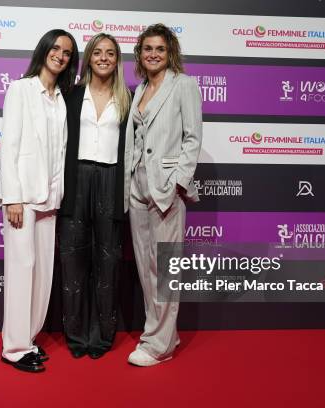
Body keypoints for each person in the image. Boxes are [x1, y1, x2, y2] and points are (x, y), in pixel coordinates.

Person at [0, 29, 78, 373]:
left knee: (42, 275)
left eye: (67, 52)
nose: (60, 55)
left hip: (49, 199)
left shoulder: (61, 97)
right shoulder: (20, 89)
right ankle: (13, 348)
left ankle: (28, 340)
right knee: (21, 271)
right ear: (43, 50)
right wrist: (12, 197)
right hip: (22, 198)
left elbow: (59, 151)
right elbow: (9, 145)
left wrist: (57, 196)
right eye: (55, 48)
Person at [123, 23, 203, 366]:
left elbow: (192, 138)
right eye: (147, 49)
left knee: (166, 269)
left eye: (159, 48)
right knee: (146, 269)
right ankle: (161, 333)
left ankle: (160, 346)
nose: (153, 54)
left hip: (166, 189)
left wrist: (179, 183)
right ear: (140, 54)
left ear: (170, 52)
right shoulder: (138, 89)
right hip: (137, 189)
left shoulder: (184, 85)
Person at [58, 33, 131, 359]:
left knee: (108, 262)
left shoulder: (127, 98)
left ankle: (102, 337)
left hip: (111, 181)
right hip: (76, 180)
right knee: (73, 262)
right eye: (97, 52)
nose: (103, 58)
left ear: (118, 60)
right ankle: (75, 336)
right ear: (88, 58)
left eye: (110, 53)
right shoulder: (71, 94)